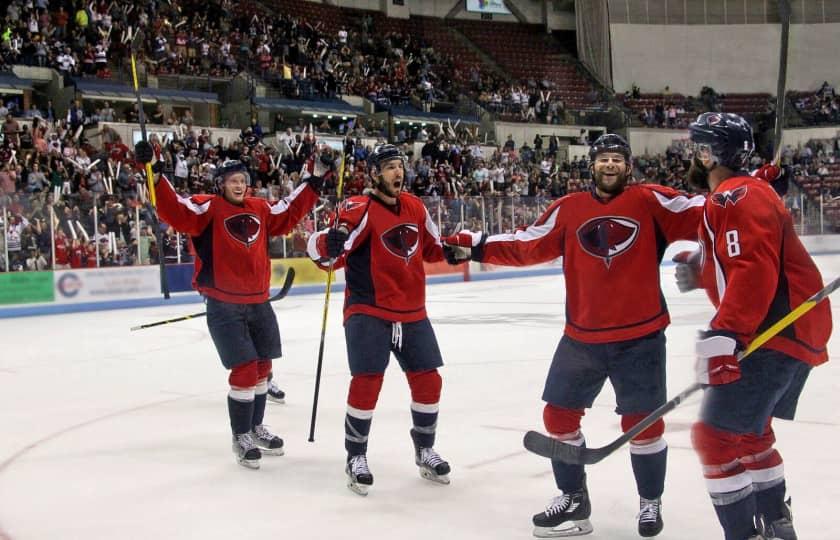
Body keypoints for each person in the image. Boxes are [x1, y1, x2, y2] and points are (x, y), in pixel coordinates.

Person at [442, 134, 706, 538]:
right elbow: (527, 244)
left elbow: (709, 211)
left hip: (641, 338)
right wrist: (476, 246)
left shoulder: (652, 201)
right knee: (558, 416)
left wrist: (753, 186)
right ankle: (574, 500)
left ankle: (649, 501)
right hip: (582, 337)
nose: (611, 165)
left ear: (628, 166)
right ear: (592, 166)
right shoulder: (569, 209)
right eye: (604, 159)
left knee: (643, 425)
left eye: (618, 159)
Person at [678, 112, 832, 540]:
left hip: (772, 332)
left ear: (709, 155)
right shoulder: (747, 192)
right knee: (751, 433)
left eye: (697, 148)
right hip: (790, 330)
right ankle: (778, 526)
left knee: (715, 438)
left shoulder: (735, 196)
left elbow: (751, 268)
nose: (692, 155)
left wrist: (726, 335)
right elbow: (746, 256)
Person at [135, 140, 327, 469]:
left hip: (258, 301)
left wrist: (315, 181)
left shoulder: (261, 208)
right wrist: (154, 174)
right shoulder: (207, 208)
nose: (239, 185)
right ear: (220, 185)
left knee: (264, 369)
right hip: (224, 303)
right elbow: (175, 209)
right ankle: (241, 435)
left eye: (243, 181)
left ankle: (255, 426)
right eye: (232, 181)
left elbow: (290, 210)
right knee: (244, 369)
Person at [307, 144, 452, 496]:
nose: (397, 173)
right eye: (389, 167)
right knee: (368, 380)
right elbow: (323, 255)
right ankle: (355, 456)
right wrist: (329, 241)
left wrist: (461, 245)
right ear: (374, 174)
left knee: (429, 381)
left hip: (412, 310)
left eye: (399, 166)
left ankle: (425, 450)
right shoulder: (359, 208)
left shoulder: (415, 207)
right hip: (368, 309)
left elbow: (433, 247)